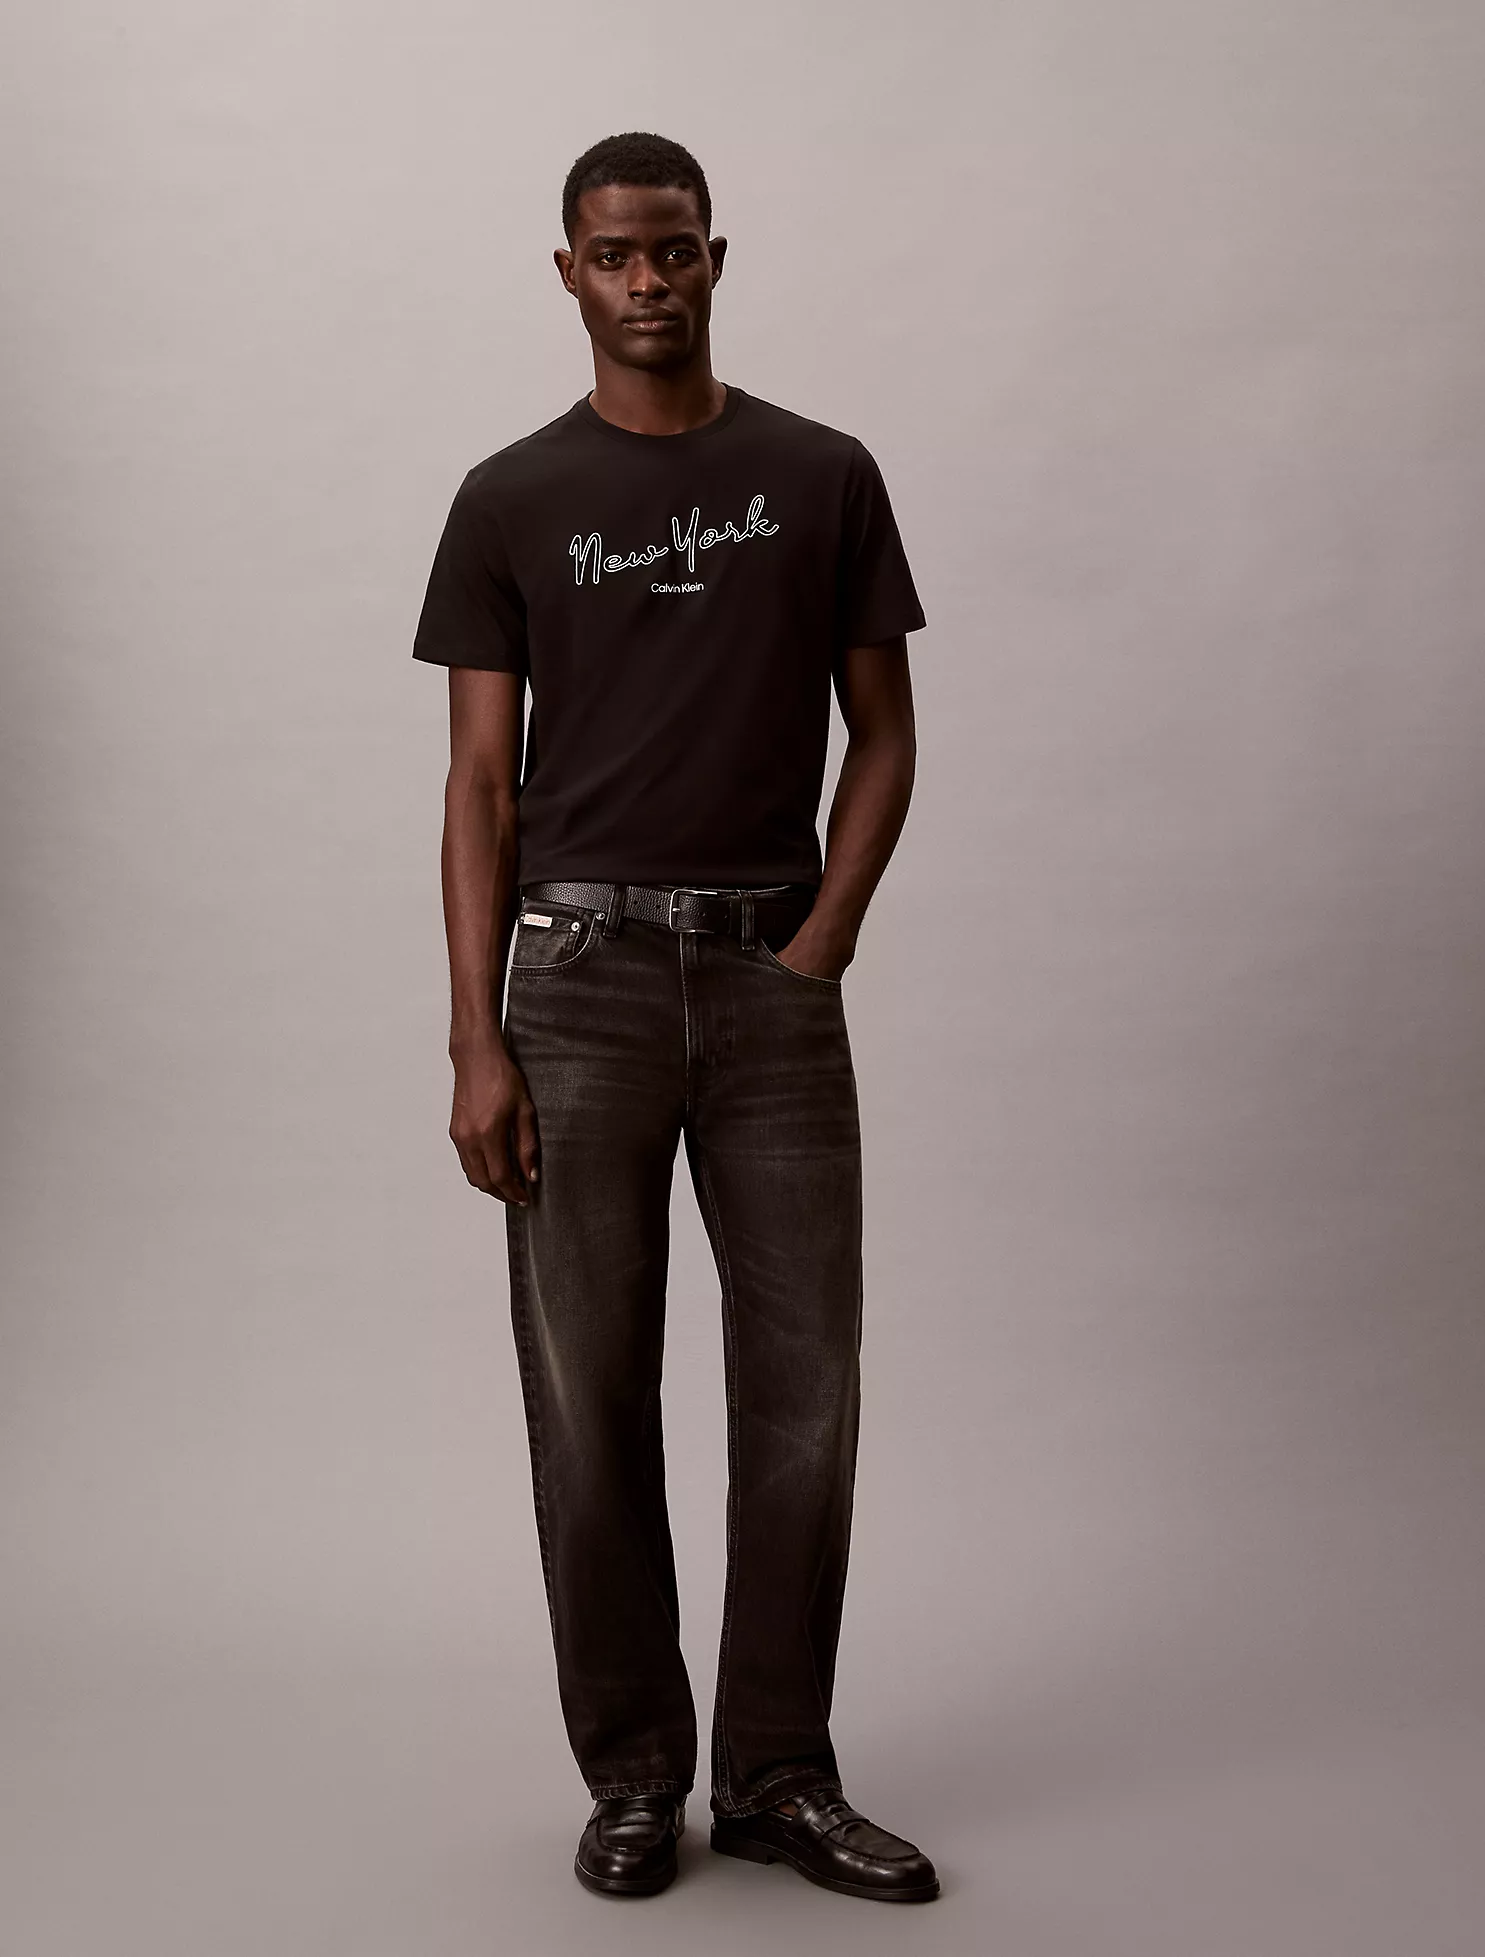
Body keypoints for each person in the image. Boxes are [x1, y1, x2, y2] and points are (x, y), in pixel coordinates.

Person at [411, 131, 938, 1905]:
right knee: (587, 1391)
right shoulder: (508, 496)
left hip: (769, 982)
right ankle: (634, 1773)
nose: (648, 280)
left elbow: (884, 732)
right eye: (614, 255)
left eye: (676, 250)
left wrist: (820, 945)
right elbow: (478, 784)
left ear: (718, 257)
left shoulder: (820, 472)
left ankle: (777, 1775)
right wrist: (477, 1035)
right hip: (578, 986)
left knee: (805, 1391)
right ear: (565, 270)